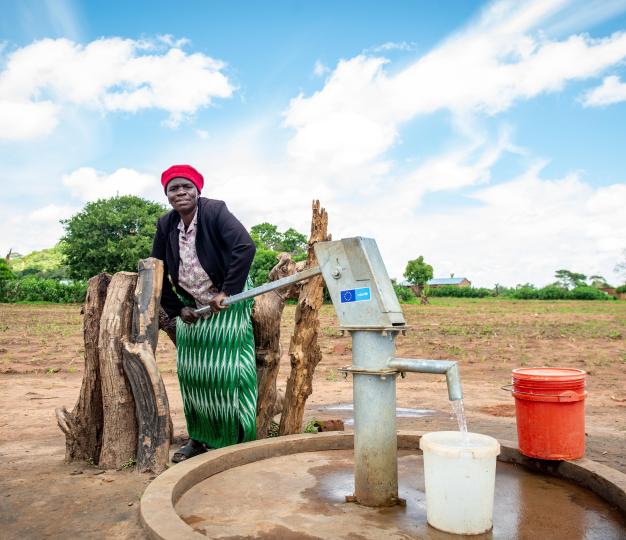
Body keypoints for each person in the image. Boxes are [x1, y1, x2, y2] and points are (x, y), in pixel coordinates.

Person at [151, 164, 257, 462]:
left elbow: (245, 247)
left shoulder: (214, 211)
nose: (181, 192)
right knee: (192, 373)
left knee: (227, 371)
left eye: (186, 187)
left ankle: (235, 441)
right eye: (174, 189)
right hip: (192, 304)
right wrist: (176, 308)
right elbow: (156, 267)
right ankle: (199, 438)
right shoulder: (166, 224)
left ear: (197, 190)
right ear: (167, 195)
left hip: (228, 300)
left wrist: (227, 291)